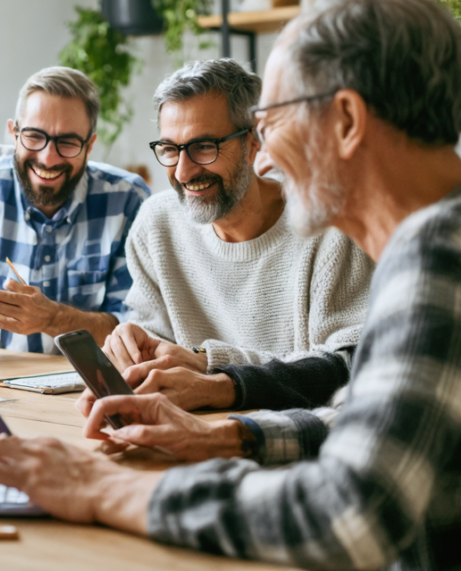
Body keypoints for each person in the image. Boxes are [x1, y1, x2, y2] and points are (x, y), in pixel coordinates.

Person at [0, 0, 461, 571]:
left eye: (275, 119)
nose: (265, 156)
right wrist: (226, 436)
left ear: (345, 120)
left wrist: (100, 488)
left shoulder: (444, 260)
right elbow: (375, 420)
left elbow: (344, 517)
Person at [88, 59, 372, 414]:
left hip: (301, 440)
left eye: (204, 147)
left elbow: (349, 366)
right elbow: (157, 342)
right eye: (170, 149)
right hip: (187, 428)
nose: (183, 171)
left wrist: (209, 364)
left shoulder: (330, 225)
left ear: (254, 143)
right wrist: (131, 345)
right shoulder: (156, 224)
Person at [0, 67, 149, 365]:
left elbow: (136, 331)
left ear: (89, 145)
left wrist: (55, 318)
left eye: (68, 142)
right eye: (34, 136)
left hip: (89, 383)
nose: (48, 158)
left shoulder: (129, 200)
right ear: (14, 133)